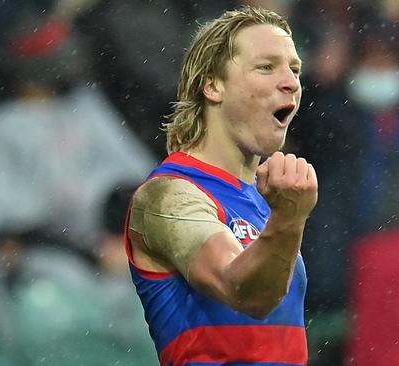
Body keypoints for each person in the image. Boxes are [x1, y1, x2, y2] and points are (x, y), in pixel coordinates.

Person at [125, 5, 317, 365]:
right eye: (266, 66)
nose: (291, 81)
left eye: (294, 69)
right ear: (212, 85)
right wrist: (289, 218)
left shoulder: (266, 202)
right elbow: (246, 293)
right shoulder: (168, 194)